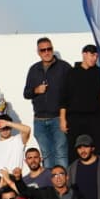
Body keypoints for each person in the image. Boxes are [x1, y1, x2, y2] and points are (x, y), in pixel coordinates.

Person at [23, 37, 72, 170]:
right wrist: (36, 90)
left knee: (61, 154)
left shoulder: (64, 67)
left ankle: (63, 182)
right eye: (43, 50)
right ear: (38, 52)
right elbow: (26, 93)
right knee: (46, 155)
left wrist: (65, 117)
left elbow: (72, 92)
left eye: (49, 49)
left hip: (58, 118)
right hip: (39, 120)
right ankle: (50, 182)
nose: (46, 52)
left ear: (52, 49)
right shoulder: (34, 69)